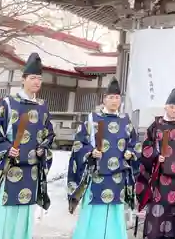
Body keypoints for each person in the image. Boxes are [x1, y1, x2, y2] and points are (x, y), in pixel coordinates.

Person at [0, 53, 55, 239]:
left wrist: (43, 148)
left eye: (39, 79)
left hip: (30, 172)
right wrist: (7, 148)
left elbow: (48, 134)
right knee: (4, 214)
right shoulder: (8, 104)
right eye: (33, 78)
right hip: (8, 169)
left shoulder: (42, 107)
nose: (36, 82)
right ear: (23, 79)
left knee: (23, 217)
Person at [67, 77, 140, 239]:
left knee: (115, 211)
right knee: (94, 210)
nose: (115, 101)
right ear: (104, 99)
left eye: (117, 97)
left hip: (117, 175)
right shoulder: (92, 119)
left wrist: (130, 152)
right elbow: (79, 143)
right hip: (97, 174)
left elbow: (135, 144)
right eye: (111, 97)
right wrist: (91, 152)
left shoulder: (125, 121)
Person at [136, 88, 175, 239]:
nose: (174, 110)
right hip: (159, 177)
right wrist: (156, 156)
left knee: (172, 212)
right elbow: (146, 147)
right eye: (171, 107)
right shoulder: (156, 125)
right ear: (165, 107)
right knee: (156, 211)